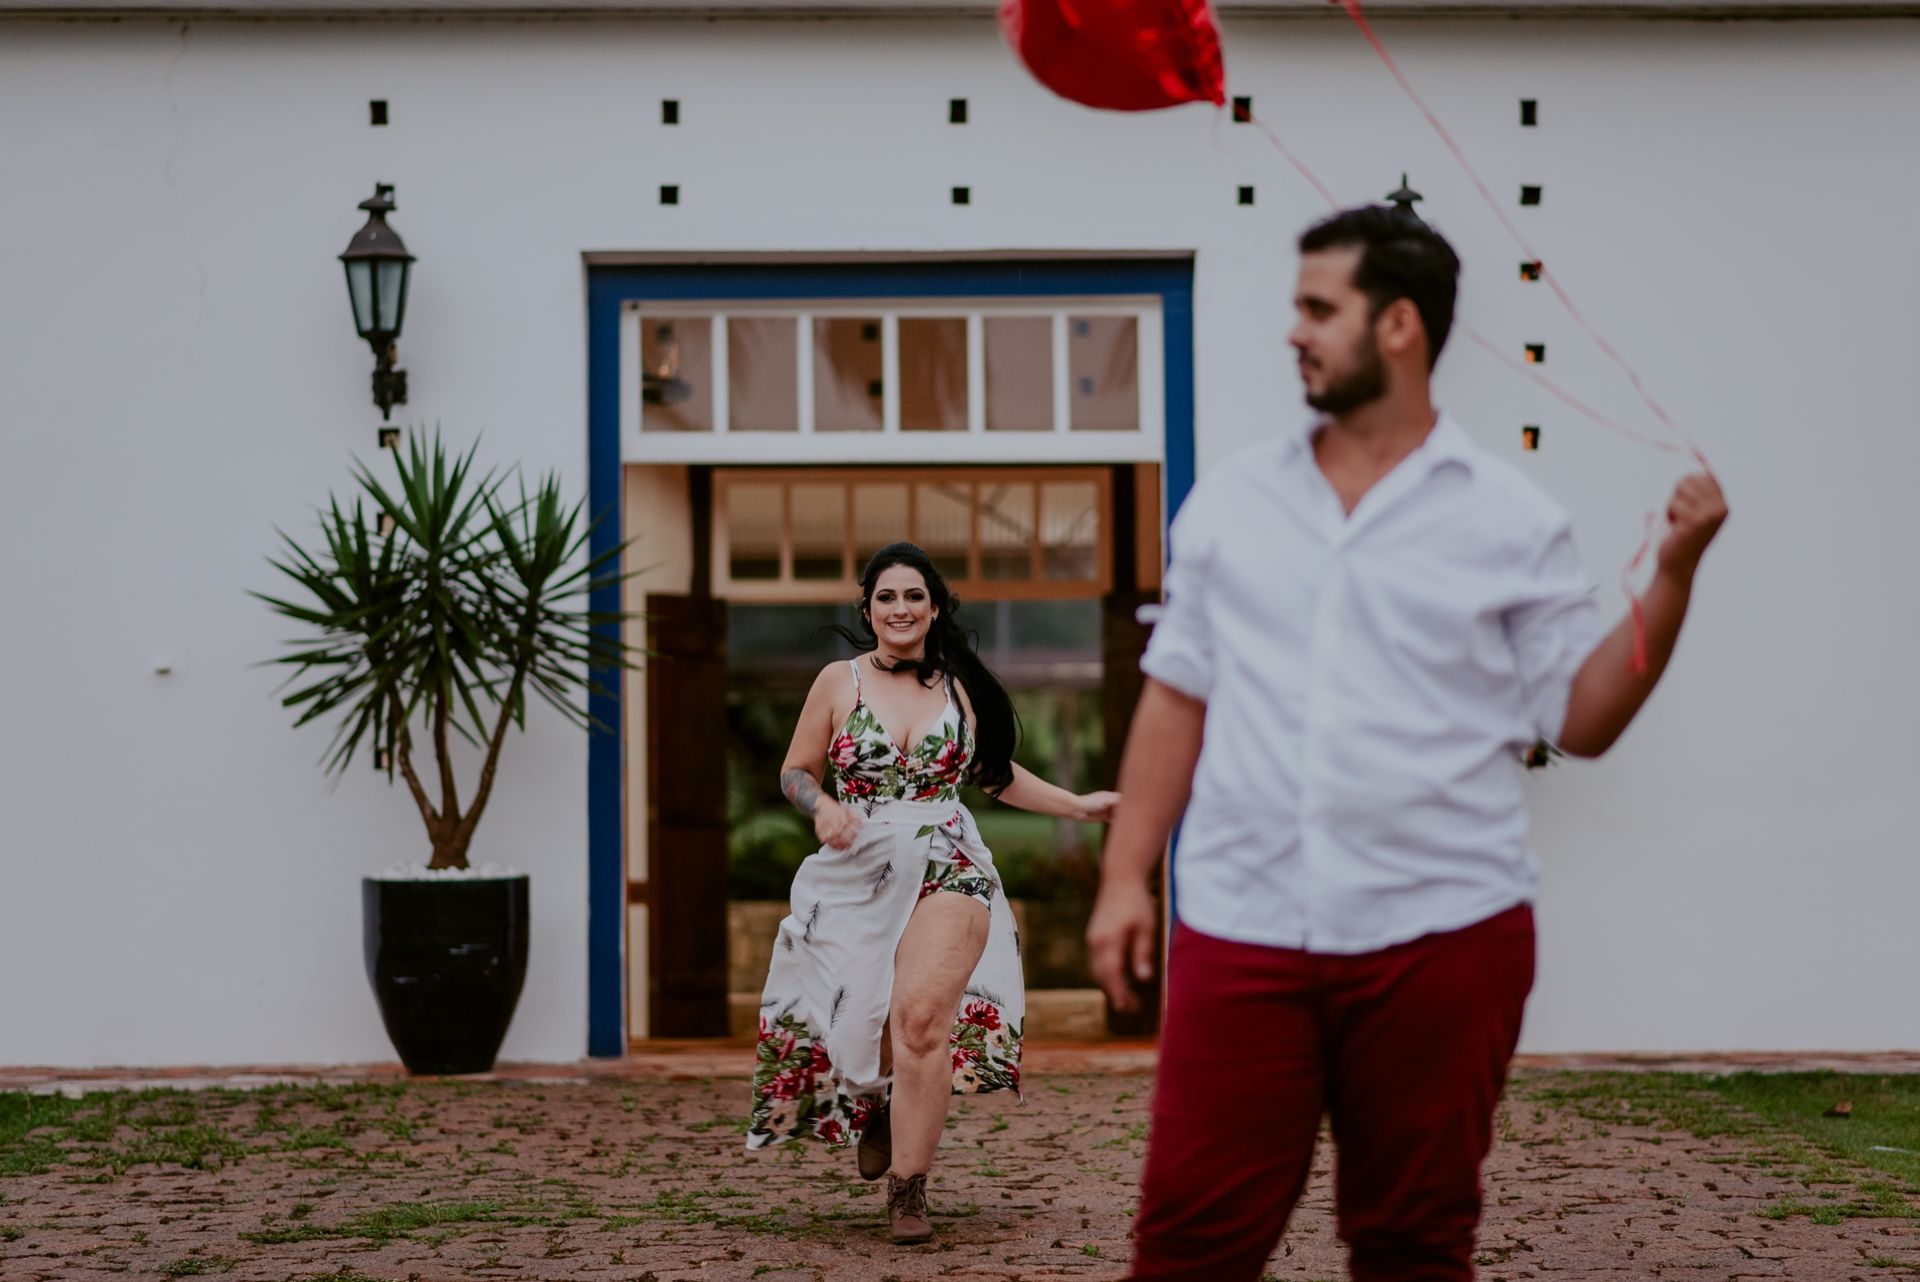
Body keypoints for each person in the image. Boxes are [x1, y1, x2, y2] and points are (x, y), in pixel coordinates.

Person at [1086, 205, 1728, 1281]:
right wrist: (1123, 879)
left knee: (1413, 1246)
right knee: (1189, 1242)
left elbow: (1581, 717)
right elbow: (1176, 698)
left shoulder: (1509, 521)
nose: (1294, 331)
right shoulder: (1231, 504)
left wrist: (1673, 576)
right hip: (1245, 927)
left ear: (1399, 327)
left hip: (1445, 931)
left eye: (1317, 308)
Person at [747, 540, 1120, 1245]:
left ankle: (909, 1188)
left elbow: (995, 774)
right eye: (886, 596)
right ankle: (878, 1101)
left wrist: (1079, 806)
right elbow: (795, 771)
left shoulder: (958, 688)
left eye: (914, 595)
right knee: (855, 1024)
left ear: (935, 607)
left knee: (920, 1020)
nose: (900, 608)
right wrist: (820, 806)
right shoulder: (838, 682)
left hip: (948, 861)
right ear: (867, 609)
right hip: (858, 869)